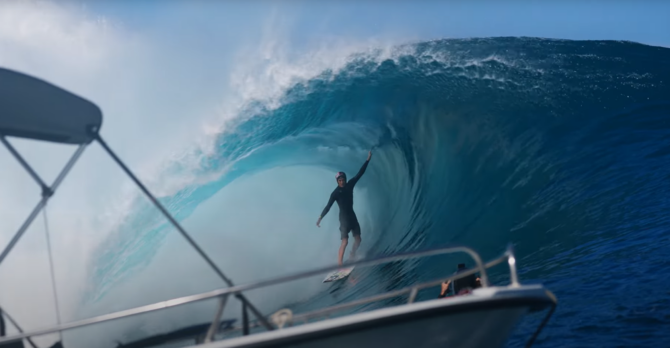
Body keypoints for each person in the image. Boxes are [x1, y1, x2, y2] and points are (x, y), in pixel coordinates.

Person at [317, 150, 372, 266]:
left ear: (345, 179)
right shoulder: (335, 193)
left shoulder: (350, 184)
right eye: (339, 180)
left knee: (358, 239)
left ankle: (352, 254)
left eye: (343, 180)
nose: (342, 182)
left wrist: (367, 160)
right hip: (343, 220)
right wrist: (320, 217)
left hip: (352, 217)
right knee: (345, 241)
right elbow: (328, 206)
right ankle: (340, 266)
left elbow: (360, 174)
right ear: (337, 181)